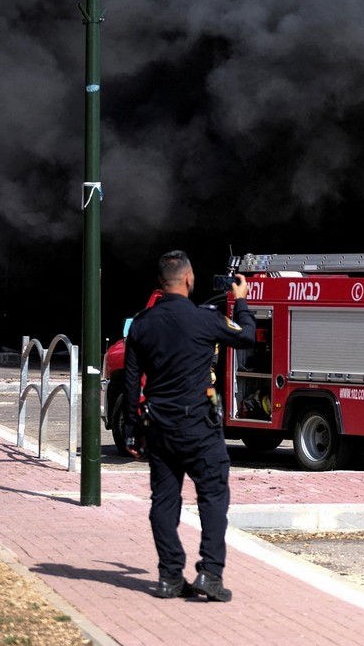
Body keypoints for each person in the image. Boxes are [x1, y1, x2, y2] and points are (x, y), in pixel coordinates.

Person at [123, 250, 255, 601]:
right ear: (187, 279)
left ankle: (169, 576)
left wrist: (134, 429)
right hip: (199, 426)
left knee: (163, 503)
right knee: (213, 497)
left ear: (160, 283)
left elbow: (132, 382)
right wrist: (240, 302)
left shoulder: (141, 324)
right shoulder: (203, 319)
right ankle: (210, 574)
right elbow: (247, 336)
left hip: (160, 428)